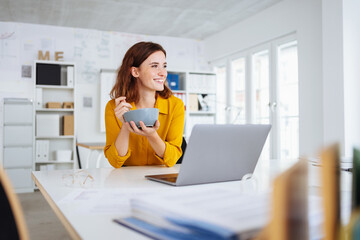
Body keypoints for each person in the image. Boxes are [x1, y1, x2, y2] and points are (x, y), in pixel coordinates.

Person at [104, 42, 185, 168]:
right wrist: (125, 125)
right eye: (154, 66)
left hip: (161, 178)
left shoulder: (176, 105)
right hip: (127, 180)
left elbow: (173, 159)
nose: (163, 73)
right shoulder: (114, 107)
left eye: (164, 66)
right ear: (135, 72)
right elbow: (115, 162)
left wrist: (151, 135)